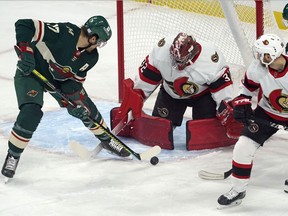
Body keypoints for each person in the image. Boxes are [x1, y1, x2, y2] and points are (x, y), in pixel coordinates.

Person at [2, 16, 131, 180]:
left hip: (57, 81)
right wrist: (25, 50)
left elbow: (73, 85)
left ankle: (107, 139)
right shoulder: (64, 33)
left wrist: (73, 105)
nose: (99, 46)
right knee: (31, 112)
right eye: (100, 42)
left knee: (85, 108)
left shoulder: (91, 58)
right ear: (93, 38)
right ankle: (13, 155)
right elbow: (24, 24)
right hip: (31, 72)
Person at [112, 32, 243, 148]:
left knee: (203, 131)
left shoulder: (211, 59)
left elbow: (223, 91)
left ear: (192, 53)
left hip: (203, 97)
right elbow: (148, 77)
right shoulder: (161, 51)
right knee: (158, 131)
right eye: (174, 59)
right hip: (171, 94)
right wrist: (136, 97)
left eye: (182, 61)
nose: (177, 65)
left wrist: (228, 111)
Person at [217, 33, 288, 207]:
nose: (258, 58)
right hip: (267, 112)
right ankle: (238, 189)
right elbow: (247, 89)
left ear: (273, 54)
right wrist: (242, 104)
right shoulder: (258, 68)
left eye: (262, 54)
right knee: (243, 146)